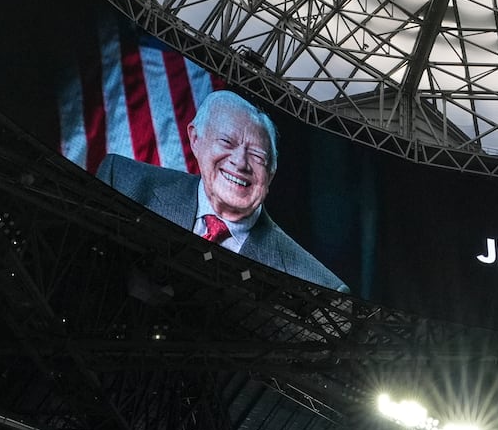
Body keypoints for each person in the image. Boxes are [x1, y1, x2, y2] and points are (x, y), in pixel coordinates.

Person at [95, 90, 347, 292]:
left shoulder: (319, 285)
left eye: (258, 156)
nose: (240, 162)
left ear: (271, 172)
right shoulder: (123, 181)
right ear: (195, 139)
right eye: (227, 142)